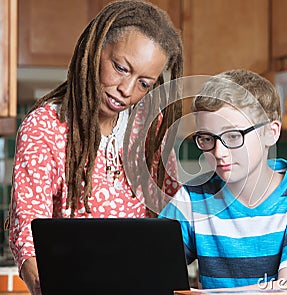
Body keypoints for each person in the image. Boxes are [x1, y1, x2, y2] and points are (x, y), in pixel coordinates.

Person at [6, 1, 183, 294]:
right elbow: (27, 237)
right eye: (121, 68)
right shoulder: (46, 126)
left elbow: (177, 214)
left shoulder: (151, 128)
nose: (127, 89)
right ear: (96, 49)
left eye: (144, 83)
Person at [160, 69, 287, 291]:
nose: (219, 152)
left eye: (233, 136)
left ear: (271, 132)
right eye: (207, 138)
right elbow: (148, 264)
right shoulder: (195, 196)